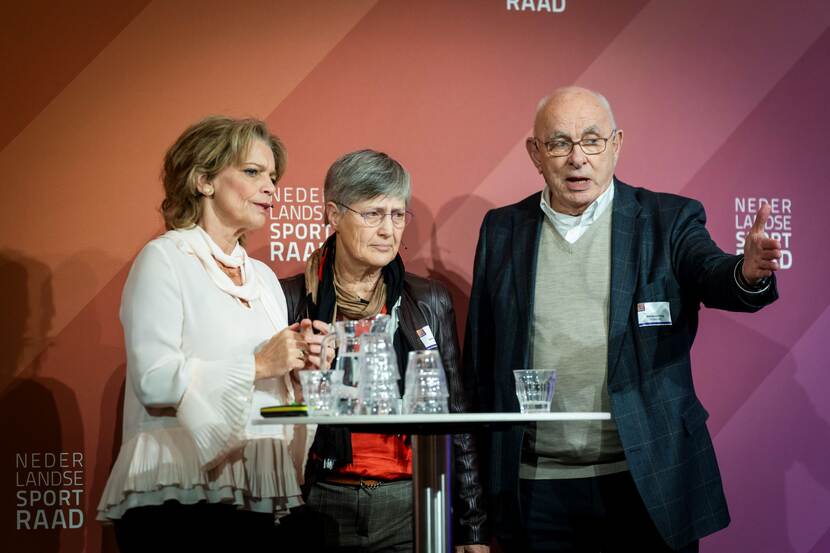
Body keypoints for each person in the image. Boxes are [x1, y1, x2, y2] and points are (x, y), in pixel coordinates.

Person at [463, 87, 780, 553]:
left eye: (592, 141)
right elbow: (480, 362)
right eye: (559, 143)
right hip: (535, 486)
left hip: (645, 476)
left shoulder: (666, 219)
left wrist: (745, 273)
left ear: (616, 145)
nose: (577, 159)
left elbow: (712, 273)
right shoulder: (502, 229)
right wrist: (475, 508)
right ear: (535, 153)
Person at [97, 116, 327, 551]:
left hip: (258, 486)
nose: (270, 189)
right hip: (179, 491)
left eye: (273, 177)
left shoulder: (263, 279)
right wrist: (260, 363)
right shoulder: (164, 259)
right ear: (203, 179)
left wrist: (302, 368)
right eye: (253, 172)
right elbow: (154, 379)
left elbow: (271, 392)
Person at [280, 149, 488, 552]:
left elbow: (456, 414)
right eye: (372, 214)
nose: (388, 230)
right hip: (318, 497)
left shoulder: (427, 299)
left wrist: (472, 526)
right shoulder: (290, 298)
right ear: (333, 215)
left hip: (411, 501)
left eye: (397, 214)